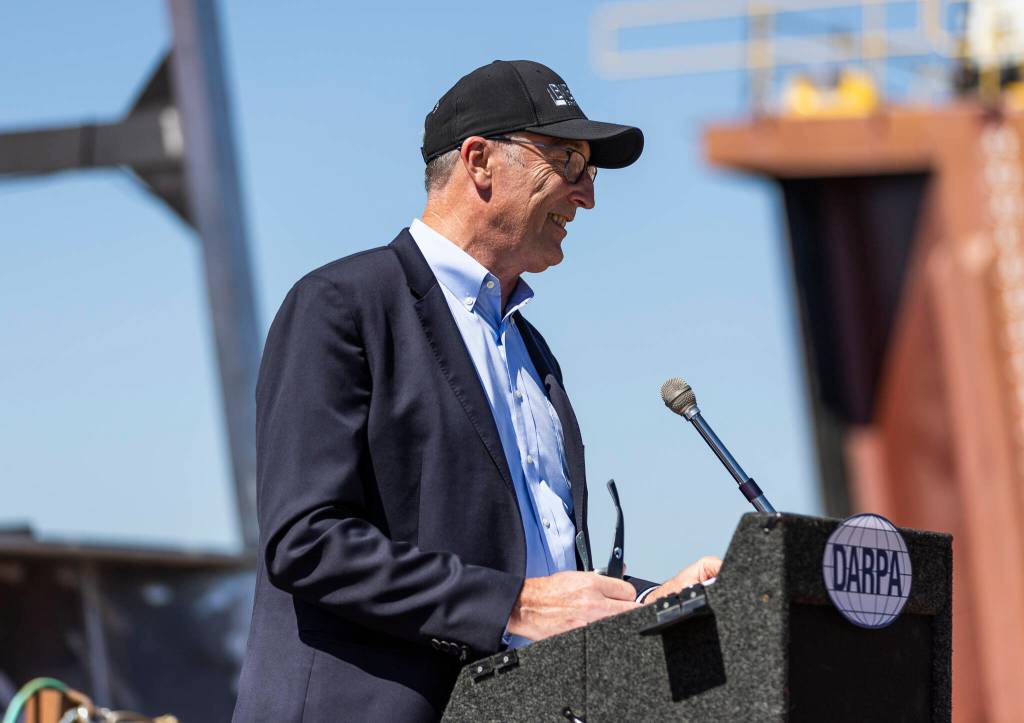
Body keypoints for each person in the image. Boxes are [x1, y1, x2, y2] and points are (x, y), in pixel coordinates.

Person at [232, 60, 721, 723]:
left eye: (589, 171)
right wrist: (515, 605)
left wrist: (645, 604)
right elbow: (307, 541)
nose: (587, 196)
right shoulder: (341, 306)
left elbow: (539, 570)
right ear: (479, 160)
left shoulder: (532, 350)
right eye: (569, 162)